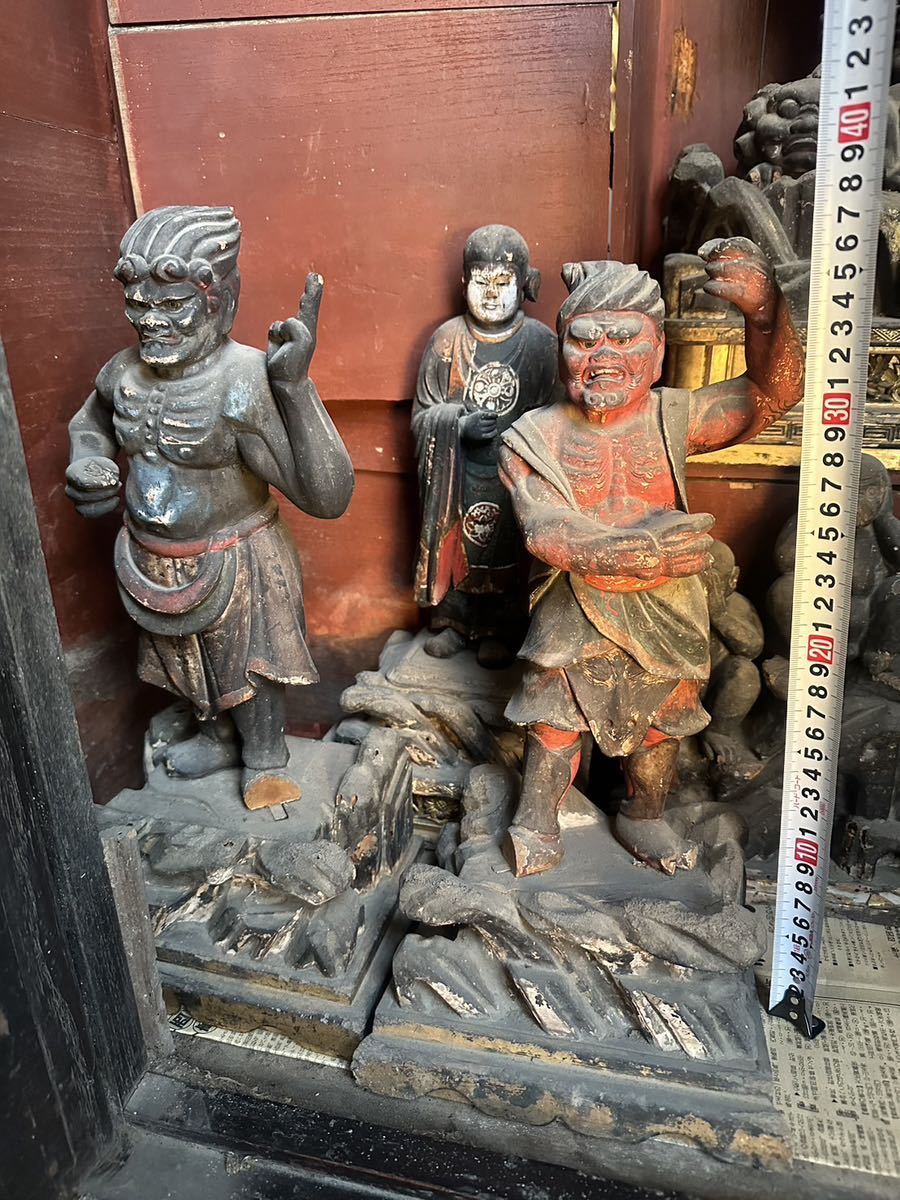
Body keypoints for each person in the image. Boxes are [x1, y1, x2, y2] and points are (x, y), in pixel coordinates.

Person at [498, 237, 804, 875]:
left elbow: (772, 397)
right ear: (561, 350)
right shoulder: (532, 436)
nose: (603, 357)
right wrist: (631, 552)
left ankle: (644, 813)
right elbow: (544, 527)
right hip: (576, 595)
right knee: (554, 709)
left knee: (664, 717)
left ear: (659, 349)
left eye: (625, 339)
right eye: (585, 339)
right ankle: (535, 815)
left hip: (668, 600)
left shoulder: (675, 416)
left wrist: (766, 314)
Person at [66, 205, 354, 810]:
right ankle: (215, 735)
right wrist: (88, 463)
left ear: (220, 300)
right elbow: (89, 425)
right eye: (140, 306)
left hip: (236, 558)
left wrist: (295, 388)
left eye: (173, 306)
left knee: (246, 669)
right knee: (188, 667)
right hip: (152, 562)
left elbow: (327, 496)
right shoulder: (123, 374)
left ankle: (265, 757)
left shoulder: (242, 379)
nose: (153, 323)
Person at [412, 225, 559, 668]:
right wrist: (456, 423)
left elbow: (557, 418)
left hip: (513, 475)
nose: (491, 294)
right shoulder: (446, 340)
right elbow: (422, 416)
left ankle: (500, 627)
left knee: (510, 545)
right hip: (459, 474)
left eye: (502, 282)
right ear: (463, 284)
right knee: (458, 543)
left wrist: (519, 437)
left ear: (524, 284)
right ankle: (455, 624)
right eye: (481, 282)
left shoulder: (539, 343)